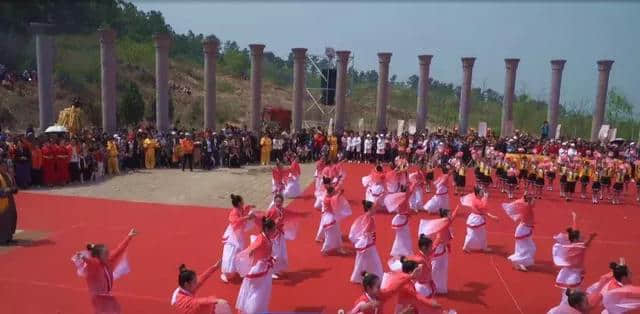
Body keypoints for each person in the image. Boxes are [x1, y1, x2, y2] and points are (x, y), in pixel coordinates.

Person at [71, 228, 138, 314]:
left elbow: (120, 249)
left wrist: (129, 236)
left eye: (107, 252)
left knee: (115, 309)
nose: (108, 254)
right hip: (99, 297)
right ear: (98, 256)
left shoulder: (109, 260)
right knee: (110, 311)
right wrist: (83, 257)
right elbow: (90, 262)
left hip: (106, 294)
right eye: (105, 254)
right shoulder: (95, 266)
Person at [235, 217, 277, 314]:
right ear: (267, 229)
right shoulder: (261, 239)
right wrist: (250, 252)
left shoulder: (265, 237)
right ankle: (252, 310)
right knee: (258, 291)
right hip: (259, 269)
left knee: (263, 289)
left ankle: (258, 309)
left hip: (264, 267)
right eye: (273, 229)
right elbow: (253, 247)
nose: (275, 231)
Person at [418, 206, 459, 294]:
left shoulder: (446, 222)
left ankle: (440, 287)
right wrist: (433, 248)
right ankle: (430, 285)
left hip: (442, 249)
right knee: (435, 268)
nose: (450, 215)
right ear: (444, 216)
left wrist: (457, 208)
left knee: (442, 268)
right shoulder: (443, 223)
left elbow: (452, 218)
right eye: (449, 214)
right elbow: (438, 239)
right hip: (438, 248)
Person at [265, 194, 306, 279]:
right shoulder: (272, 211)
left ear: (282, 202)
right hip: (273, 235)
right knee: (274, 253)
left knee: (281, 253)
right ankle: (270, 271)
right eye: (277, 201)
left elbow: (290, 213)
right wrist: (275, 223)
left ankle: (277, 269)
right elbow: (266, 222)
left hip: (280, 234)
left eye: (280, 202)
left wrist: (299, 215)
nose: (278, 203)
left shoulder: (282, 210)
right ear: (274, 201)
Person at [552, 212, 596, 291]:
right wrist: (591, 237)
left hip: (566, 271)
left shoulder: (567, 243)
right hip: (574, 273)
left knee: (566, 290)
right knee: (574, 289)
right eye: (580, 237)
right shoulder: (578, 247)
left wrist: (574, 219)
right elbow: (586, 244)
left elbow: (574, 231)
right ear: (575, 239)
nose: (581, 237)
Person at [220, 194, 256, 283]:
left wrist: (250, 207)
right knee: (230, 253)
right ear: (239, 203)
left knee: (239, 252)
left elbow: (245, 209)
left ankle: (238, 269)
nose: (243, 202)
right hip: (233, 236)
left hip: (239, 235)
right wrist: (247, 217)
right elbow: (234, 220)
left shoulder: (241, 209)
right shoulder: (234, 212)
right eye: (242, 201)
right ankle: (225, 273)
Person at [349, 270, 416, 314]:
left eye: (380, 286)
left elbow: (394, 287)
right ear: (369, 288)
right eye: (378, 287)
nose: (380, 288)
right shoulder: (363, 301)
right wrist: (369, 305)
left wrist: (410, 276)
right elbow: (362, 307)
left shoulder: (379, 295)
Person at [349, 200, 383, 283]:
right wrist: (370, 235)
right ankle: (378, 276)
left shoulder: (364, 216)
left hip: (364, 241)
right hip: (367, 242)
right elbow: (366, 230)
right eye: (374, 208)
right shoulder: (370, 218)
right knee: (374, 259)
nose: (375, 210)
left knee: (362, 259)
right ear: (369, 209)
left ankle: (358, 276)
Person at [502, 194, 536, 271]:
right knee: (528, 248)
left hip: (525, 230)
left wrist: (524, 196)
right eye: (533, 200)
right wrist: (524, 197)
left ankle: (520, 262)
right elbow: (522, 202)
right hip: (523, 230)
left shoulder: (527, 206)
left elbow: (523, 201)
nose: (535, 202)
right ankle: (519, 262)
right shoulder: (526, 207)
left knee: (527, 248)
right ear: (529, 202)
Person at [460, 187, 499, 253]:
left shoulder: (477, 199)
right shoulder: (477, 201)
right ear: (478, 194)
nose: (483, 193)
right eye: (481, 192)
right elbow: (484, 210)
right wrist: (492, 217)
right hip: (476, 220)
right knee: (472, 234)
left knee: (481, 233)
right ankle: (466, 246)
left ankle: (483, 247)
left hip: (477, 219)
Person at [384, 184, 416, 258]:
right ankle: (405, 252)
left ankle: (397, 251)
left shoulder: (402, 197)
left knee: (400, 236)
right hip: (401, 219)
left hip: (400, 219)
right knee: (405, 236)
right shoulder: (404, 198)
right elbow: (403, 210)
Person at [318, 186, 351, 255]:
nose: (334, 193)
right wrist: (339, 194)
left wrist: (339, 194)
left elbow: (334, 198)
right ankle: (325, 249)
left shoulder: (326, 197)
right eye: (333, 192)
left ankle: (338, 247)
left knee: (337, 233)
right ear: (330, 192)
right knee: (330, 235)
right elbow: (334, 200)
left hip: (330, 217)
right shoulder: (329, 199)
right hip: (330, 219)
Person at [0, 158, 18, 244]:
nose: (4, 168)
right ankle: (3, 239)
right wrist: (8, 190)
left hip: (10, 199)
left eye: (5, 166)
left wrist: (14, 189)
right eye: (2, 166)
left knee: (12, 216)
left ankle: (9, 237)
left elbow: (13, 185)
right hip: (2, 200)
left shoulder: (7, 175)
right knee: (4, 219)